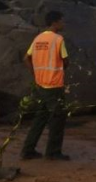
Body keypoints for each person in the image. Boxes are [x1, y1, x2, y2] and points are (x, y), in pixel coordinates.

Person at [21, 10, 71, 161]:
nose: (63, 23)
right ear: (55, 22)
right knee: (57, 118)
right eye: (62, 20)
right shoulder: (58, 39)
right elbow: (66, 61)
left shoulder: (38, 38)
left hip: (40, 84)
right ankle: (53, 152)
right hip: (54, 85)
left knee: (40, 117)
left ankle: (28, 149)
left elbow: (26, 58)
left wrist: (36, 74)